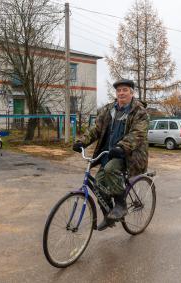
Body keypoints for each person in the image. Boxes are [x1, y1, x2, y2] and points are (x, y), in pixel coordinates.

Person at [73, 79, 149, 231]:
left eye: (125, 90)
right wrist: (82, 142)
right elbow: (96, 128)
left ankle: (121, 205)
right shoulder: (109, 109)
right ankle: (108, 216)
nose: (121, 93)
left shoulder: (139, 111)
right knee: (98, 185)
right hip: (108, 153)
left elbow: (138, 133)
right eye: (119, 90)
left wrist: (122, 147)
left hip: (129, 155)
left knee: (109, 170)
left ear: (131, 93)